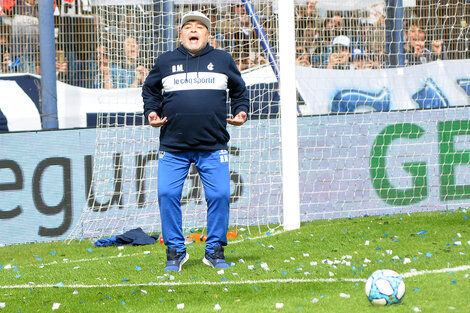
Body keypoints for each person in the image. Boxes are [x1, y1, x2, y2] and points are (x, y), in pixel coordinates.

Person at [142, 11, 249, 272]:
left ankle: (214, 250)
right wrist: (152, 112)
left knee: (221, 195)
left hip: (212, 145)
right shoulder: (165, 61)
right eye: (187, 26)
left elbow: (239, 90)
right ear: (180, 34)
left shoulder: (222, 60)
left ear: (207, 34)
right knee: (167, 193)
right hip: (174, 146)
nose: (193, 30)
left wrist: (241, 111)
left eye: (199, 27)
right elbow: (150, 90)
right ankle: (176, 251)